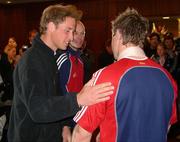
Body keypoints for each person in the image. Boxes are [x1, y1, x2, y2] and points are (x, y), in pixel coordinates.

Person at [7, 4, 114, 142]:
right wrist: (78, 99)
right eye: (68, 30)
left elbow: (55, 95)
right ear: (51, 26)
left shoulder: (50, 55)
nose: (71, 37)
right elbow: (38, 110)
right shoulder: (32, 60)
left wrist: (64, 126)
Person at [72, 8, 178, 142]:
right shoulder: (167, 77)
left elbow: (81, 134)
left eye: (112, 36)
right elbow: (166, 126)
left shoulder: (105, 76)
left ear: (119, 35)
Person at [56, 20, 86, 141]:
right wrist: (65, 125)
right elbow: (57, 94)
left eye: (82, 33)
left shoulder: (80, 60)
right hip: (64, 121)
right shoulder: (63, 58)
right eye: (75, 33)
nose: (79, 37)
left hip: (76, 117)